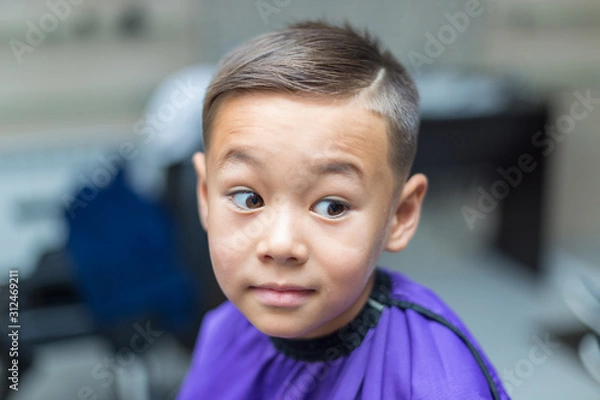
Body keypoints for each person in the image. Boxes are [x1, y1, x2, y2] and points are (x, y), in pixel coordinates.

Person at [177, 20, 509, 400]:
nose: (281, 244)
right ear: (204, 195)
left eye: (332, 206)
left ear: (400, 216)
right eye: (248, 199)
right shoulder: (223, 332)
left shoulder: (440, 385)